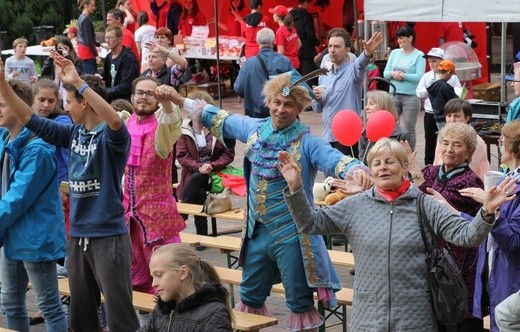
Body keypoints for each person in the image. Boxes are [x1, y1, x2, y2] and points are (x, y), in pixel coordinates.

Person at [165, 71, 371, 331]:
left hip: (293, 237)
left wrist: (361, 172)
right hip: (256, 234)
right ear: (269, 101)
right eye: (277, 102)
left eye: (289, 105)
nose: (281, 109)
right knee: (249, 297)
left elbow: (336, 160)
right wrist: (177, 98)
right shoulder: (255, 128)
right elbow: (218, 117)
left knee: (299, 302)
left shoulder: (307, 141)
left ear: (299, 109)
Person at [278, 137, 516, 331]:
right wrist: (296, 188)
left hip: (415, 318)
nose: (383, 167)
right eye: (377, 163)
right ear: (370, 170)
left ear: (404, 167)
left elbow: (468, 237)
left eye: (390, 161)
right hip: (368, 316)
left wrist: (487, 211)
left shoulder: (424, 205)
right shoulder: (356, 205)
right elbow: (309, 224)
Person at [0, 52, 139, 331]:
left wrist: (79, 82)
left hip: (108, 236)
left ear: (84, 102)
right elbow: (28, 117)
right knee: (81, 315)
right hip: (77, 236)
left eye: (68, 101)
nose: (64, 107)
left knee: (119, 314)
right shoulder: (73, 134)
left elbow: (114, 122)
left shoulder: (111, 138)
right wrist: (2, 82)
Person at [0, 75, 67, 332]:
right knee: (10, 302)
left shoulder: (37, 149)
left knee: (48, 304)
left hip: (35, 237)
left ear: (21, 108)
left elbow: (18, 197)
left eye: (4, 104)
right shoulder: (5, 139)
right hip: (12, 233)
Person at [411, 123, 485, 331]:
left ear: (468, 151)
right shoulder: (431, 172)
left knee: (457, 318)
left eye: (457, 145)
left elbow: (434, 204)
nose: (449, 149)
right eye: (445, 143)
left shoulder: (471, 181)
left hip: (458, 265)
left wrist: (417, 176)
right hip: (431, 258)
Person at [123, 76, 186, 308]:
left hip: (158, 222)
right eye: (140, 92)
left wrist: (168, 102)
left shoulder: (162, 128)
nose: (144, 97)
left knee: (169, 282)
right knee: (136, 282)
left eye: (150, 93)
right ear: (132, 97)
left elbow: (172, 120)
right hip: (129, 219)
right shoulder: (125, 123)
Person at [466, 120, 520, 332]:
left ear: (512, 149)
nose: (499, 142)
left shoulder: (514, 186)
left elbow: (512, 240)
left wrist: (491, 209)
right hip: (498, 270)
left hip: (512, 275)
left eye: (503, 140)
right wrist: (451, 213)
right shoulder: (508, 178)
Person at [313, 28, 383, 158]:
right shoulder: (324, 74)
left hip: (346, 137)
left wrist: (367, 53)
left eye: (337, 47)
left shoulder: (353, 71)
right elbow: (317, 108)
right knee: (329, 178)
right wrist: (316, 98)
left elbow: (360, 65)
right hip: (328, 136)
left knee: (347, 177)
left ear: (347, 51)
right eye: (330, 46)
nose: (332, 50)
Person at [177, 91, 235, 241]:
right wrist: (199, 166)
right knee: (199, 188)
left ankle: (182, 215)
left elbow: (228, 154)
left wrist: (212, 165)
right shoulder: (184, 128)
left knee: (198, 181)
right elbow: (182, 156)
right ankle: (201, 237)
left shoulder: (219, 128)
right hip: (194, 174)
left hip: (216, 174)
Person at [146, 243, 233, 331]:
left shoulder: (213, 313)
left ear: (183, 273)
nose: (154, 283)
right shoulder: (161, 310)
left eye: (159, 275)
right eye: (153, 277)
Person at [234, 27, 293, 118]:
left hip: (256, 115)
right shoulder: (284, 61)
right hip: (280, 114)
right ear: (274, 41)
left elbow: (239, 88)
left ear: (257, 42)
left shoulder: (249, 63)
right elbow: (294, 86)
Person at [416, 47, 461, 165]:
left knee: (447, 141)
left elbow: (458, 92)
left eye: (434, 61)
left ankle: (443, 163)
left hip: (447, 114)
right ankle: (429, 165)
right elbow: (419, 92)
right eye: (430, 61)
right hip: (430, 114)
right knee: (430, 141)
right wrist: (431, 89)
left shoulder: (453, 77)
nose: (431, 64)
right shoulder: (426, 76)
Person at [383, 25, 425, 150]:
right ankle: (391, 151)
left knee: (409, 128)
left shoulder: (419, 55)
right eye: (398, 38)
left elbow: (419, 76)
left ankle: (409, 154)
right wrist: (393, 74)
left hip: (411, 96)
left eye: (402, 38)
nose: (399, 41)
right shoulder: (394, 53)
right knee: (390, 125)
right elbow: (385, 73)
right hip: (394, 94)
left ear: (410, 38)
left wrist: (403, 76)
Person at [433, 98, 490, 179]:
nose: (452, 120)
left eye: (456, 116)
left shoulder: (476, 141)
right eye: (449, 115)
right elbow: (436, 162)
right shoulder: (443, 136)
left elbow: (470, 170)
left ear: (466, 118)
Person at [358, 90, 410, 163]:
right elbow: (362, 161)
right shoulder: (364, 133)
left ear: (384, 107)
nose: (366, 107)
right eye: (367, 104)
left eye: (371, 104)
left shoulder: (402, 134)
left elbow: (406, 164)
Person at [102, 25, 140, 102]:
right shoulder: (108, 57)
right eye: (106, 37)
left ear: (119, 39)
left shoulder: (128, 58)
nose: (107, 41)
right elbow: (104, 78)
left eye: (110, 38)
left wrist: (106, 91)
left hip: (125, 100)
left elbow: (126, 85)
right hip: (111, 98)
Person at [290, 0, 320, 80]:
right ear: (306, 2)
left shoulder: (290, 15)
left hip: (295, 50)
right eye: (309, 4)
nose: (309, 6)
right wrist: (317, 43)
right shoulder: (307, 16)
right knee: (308, 77)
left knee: (296, 78)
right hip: (307, 51)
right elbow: (310, 34)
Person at [427, 59, 459, 129]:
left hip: (437, 119)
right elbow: (455, 102)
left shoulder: (432, 86)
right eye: (451, 75)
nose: (451, 77)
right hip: (448, 119)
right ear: (448, 73)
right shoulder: (446, 87)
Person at [271, 5, 301, 69]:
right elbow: (300, 43)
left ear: (278, 17)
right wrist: (292, 53)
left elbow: (281, 52)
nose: (273, 16)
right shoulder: (292, 28)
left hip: (286, 65)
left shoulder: (280, 31)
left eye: (274, 14)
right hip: (296, 62)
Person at [77, 0, 100, 74]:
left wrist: (97, 44)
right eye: (92, 5)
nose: (94, 8)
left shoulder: (81, 17)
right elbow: (89, 39)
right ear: (86, 5)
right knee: (91, 77)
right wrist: (96, 55)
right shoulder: (86, 19)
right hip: (87, 51)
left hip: (82, 49)